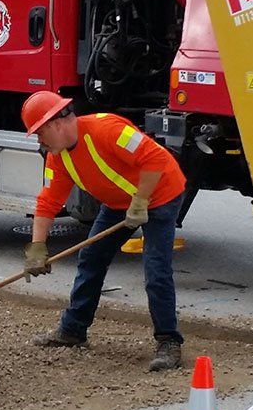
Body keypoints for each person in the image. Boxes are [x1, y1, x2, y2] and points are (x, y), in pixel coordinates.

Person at [20, 91, 187, 371]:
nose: (39, 141)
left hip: (160, 195)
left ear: (54, 124)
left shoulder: (108, 129)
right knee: (91, 258)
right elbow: (48, 201)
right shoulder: (58, 158)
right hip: (119, 202)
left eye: (39, 133)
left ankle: (169, 341)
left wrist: (141, 201)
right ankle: (73, 329)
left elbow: (156, 158)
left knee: (156, 269)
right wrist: (37, 247)